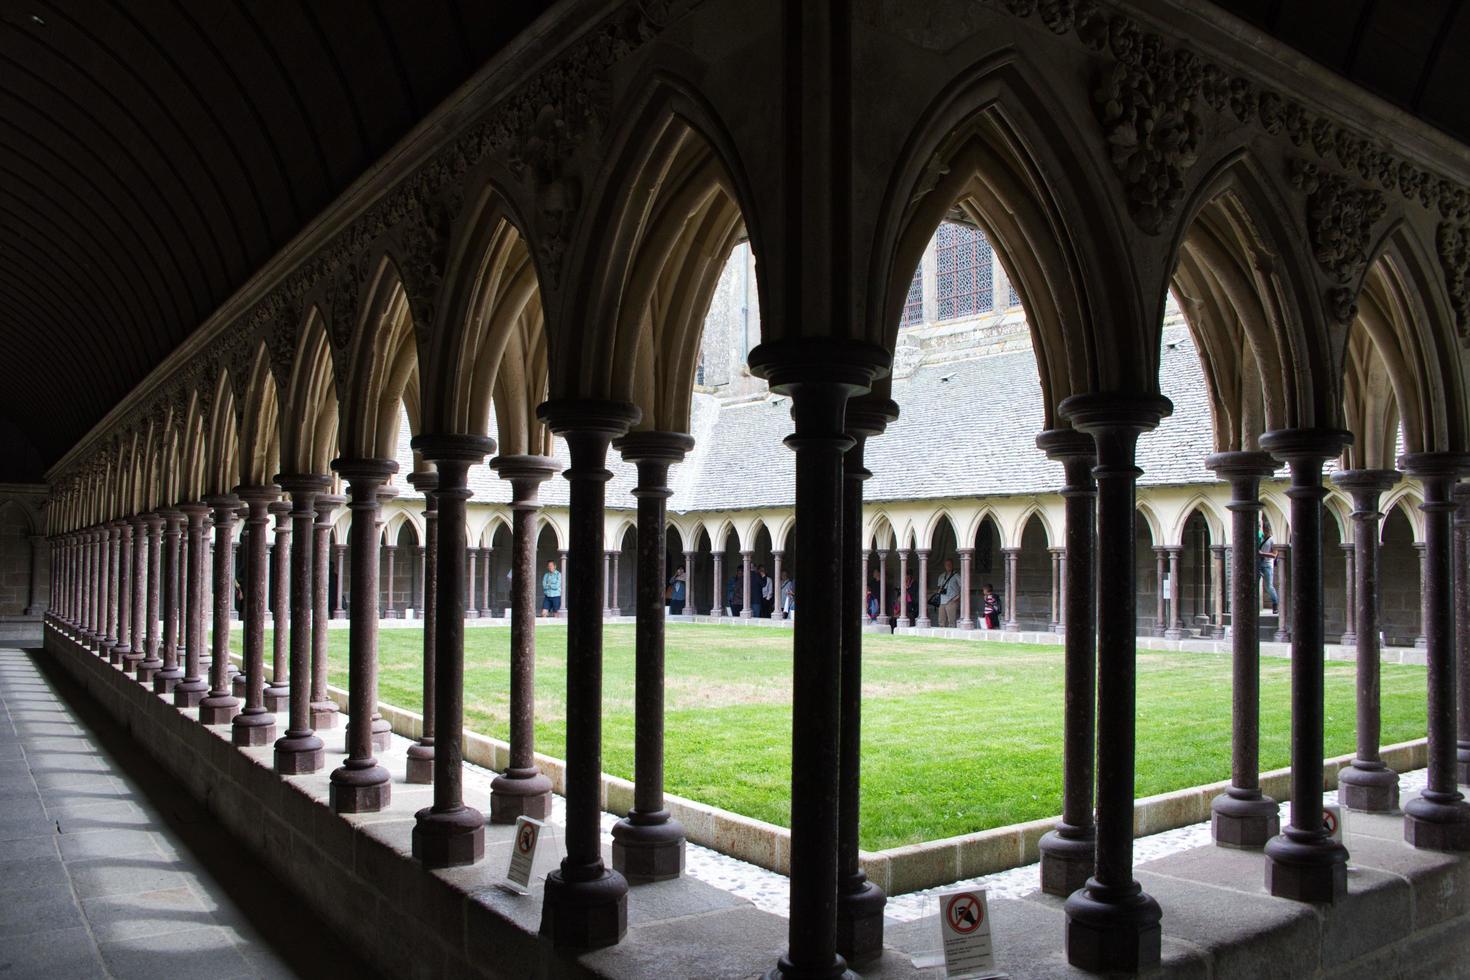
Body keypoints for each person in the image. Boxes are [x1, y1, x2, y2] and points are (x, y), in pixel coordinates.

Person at [1259, 517, 1279, 614]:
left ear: (1269, 530)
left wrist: (1262, 554)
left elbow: (1274, 555)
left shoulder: (1272, 540)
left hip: (1267, 565)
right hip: (1259, 564)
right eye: (1263, 529)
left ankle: (1275, 605)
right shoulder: (1261, 537)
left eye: (1266, 530)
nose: (1264, 531)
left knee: (1269, 586)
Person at [936, 558, 961, 627]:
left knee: (951, 622)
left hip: (951, 601)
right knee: (941, 621)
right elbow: (938, 587)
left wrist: (959, 597)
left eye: (950, 564)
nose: (948, 566)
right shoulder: (941, 576)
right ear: (944, 565)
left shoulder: (956, 575)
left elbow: (964, 586)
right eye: (947, 564)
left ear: (952, 565)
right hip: (942, 601)